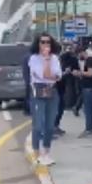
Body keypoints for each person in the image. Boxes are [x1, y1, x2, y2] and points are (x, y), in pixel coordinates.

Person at [28, 33, 62, 166]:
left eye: (48, 42)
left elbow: (58, 76)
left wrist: (51, 74)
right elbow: (45, 75)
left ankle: (46, 153)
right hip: (38, 91)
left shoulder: (55, 58)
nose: (45, 45)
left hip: (52, 91)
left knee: (50, 124)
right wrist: (46, 61)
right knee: (38, 124)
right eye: (42, 42)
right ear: (38, 43)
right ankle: (37, 154)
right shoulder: (34, 58)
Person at [54, 44, 80, 137]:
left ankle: (56, 126)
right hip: (55, 88)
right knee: (57, 108)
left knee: (60, 108)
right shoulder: (53, 61)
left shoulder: (61, 59)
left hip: (61, 87)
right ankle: (53, 127)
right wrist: (65, 73)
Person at [78, 49, 92, 138]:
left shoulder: (90, 60)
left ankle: (89, 130)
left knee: (88, 110)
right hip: (90, 87)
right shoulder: (91, 60)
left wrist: (80, 73)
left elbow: (90, 73)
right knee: (89, 109)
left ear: (83, 52)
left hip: (89, 88)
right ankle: (90, 129)